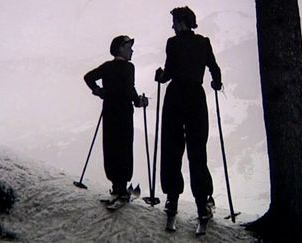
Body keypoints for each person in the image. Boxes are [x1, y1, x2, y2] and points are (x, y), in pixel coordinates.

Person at [155, 6, 222, 233]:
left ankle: (172, 200)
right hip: (196, 97)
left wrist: (160, 77)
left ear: (181, 21)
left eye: (174, 21)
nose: (172, 26)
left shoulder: (172, 43)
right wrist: (216, 83)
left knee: (172, 148)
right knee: (197, 150)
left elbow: (169, 73)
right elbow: (214, 68)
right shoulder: (204, 42)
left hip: (175, 98)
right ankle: (202, 204)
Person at [84, 35, 148, 207]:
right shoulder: (129, 67)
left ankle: (116, 186)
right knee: (125, 147)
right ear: (120, 48)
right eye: (129, 47)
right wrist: (139, 101)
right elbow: (129, 88)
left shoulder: (107, 67)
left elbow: (88, 77)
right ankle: (122, 187)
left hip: (110, 111)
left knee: (111, 146)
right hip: (124, 112)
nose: (132, 50)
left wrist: (99, 91)